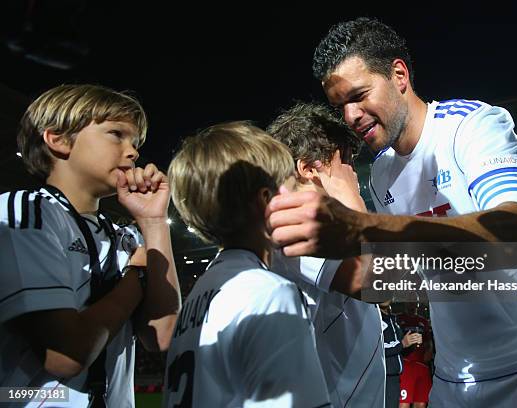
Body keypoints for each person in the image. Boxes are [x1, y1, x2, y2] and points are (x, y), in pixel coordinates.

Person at [266, 17, 517, 407]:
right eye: (340, 105)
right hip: (454, 377)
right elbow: (398, 278)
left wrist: (363, 225)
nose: (351, 116)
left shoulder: (472, 127)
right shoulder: (382, 175)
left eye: (359, 95)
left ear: (399, 75)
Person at [0, 84, 181, 407]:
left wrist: (154, 224)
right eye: (116, 134)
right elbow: (66, 355)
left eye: (136, 142)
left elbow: (162, 335)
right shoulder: (27, 213)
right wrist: (137, 278)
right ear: (57, 139)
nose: (133, 151)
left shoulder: (127, 236)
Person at [163, 122, 330, 407]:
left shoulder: (201, 291)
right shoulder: (269, 292)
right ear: (267, 201)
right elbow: (385, 285)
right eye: (291, 185)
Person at [267, 102, 385, 407]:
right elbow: (385, 284)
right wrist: (352, 197)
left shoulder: (323, 222)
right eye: (343, 161)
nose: (351, 172)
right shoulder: (293, 221)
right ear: (308, 169)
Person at [380, 301, 423, 408]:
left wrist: (411, 344)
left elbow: (399, 350)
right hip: (382, 377)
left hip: (395, 377)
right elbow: (377, 348)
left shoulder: (393, 319)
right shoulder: (373, 318)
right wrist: (403, 343)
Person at [396, 303, 432, 408]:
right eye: (409, 302)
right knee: (403, 403)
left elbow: (428, 341)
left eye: (414, 302)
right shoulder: (398, 318)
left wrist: (429, 349)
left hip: (421, 365)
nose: (411, 306)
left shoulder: (423, 321)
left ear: (417, 304)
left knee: (421, 403)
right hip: (406, 365)